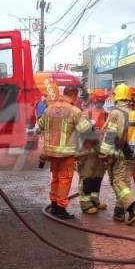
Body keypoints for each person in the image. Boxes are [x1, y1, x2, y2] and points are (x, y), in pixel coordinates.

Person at [38, 86, 92, 219]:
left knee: (55, 178)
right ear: (74, 94)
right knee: (65, 179)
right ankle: (61, 209)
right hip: (66, 153)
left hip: (51, 152)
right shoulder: (74, 111)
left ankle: (54, 204)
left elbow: (40, 125)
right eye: (77, 96)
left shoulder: (49, 108)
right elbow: (85, 130)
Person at [100, 84, 135, 225]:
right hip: (132, 154)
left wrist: (104, 154)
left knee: (117, 182)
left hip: (119, 155)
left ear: (116, 96)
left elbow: (110, 136)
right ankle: (119, 212)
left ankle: (133, 209)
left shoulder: (115, 113)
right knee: (125, 183)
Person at [78, 90, 110, 214]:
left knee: (98, 177)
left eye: (102, 100)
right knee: (87, 177)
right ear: (93, 100)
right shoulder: (86, 113)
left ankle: (94, 200)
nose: (100, 103)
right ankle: (85, 204)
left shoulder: (107, 115)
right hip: (89, 152)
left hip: (101, 152)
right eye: (98, 100)